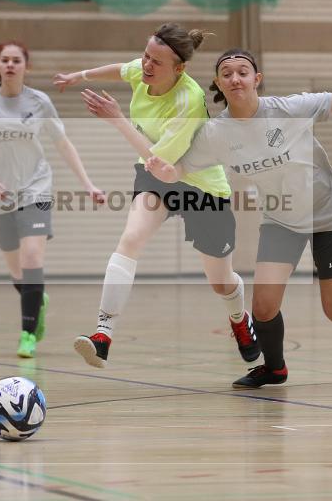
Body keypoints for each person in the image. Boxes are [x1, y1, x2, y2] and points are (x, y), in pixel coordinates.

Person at [144, 48, 332, 388]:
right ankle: (275, 369)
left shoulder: (288, 110)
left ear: (256, 79)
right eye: (227, 74)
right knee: (263, 307)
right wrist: (165, 172)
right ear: (218, 83)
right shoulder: (216, 133)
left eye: (242, 72)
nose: (235, 78)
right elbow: (181, 168)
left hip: (330, 213)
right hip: (281, 219)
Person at [52, 23, 259, 369]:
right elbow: (122, 69)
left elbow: (163, 165)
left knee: (220, 281)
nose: (147, 65)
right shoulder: (143, 69)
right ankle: (103, 335)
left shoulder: (188, 101)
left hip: (201, 186)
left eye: (156, 62)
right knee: (131, 239)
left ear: (179, 69)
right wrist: (79, 75)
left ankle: (239, 318)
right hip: (156, 177)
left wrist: (118, 120)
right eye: (146, 56)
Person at [0, 40, 106, 358]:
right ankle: (38, 299)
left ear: (25, 66)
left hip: (35, 188)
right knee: (16, 271)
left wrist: (88, 184)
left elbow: (63, 144)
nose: (10, 65)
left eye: (16, 60)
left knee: (31, 259)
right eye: (5, 60)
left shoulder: (39, 102)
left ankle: (27, 333)